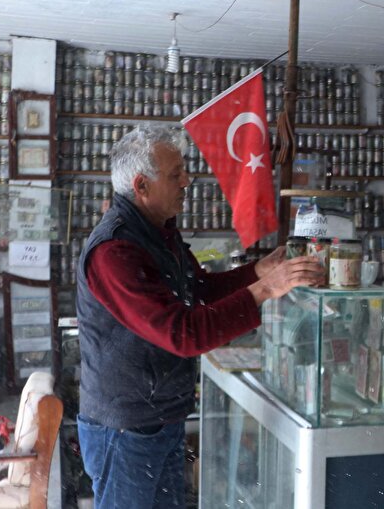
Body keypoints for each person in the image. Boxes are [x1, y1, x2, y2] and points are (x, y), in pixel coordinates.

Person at [75, 124, 325, 509]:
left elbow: (199, 290)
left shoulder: (158, 233)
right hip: (126, 429)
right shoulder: (114, 252)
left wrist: (258, 272)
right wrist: (265, 290)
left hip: (161, 418)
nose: (186, 181)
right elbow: (183, 333)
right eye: (175, 174)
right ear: (142, 186)